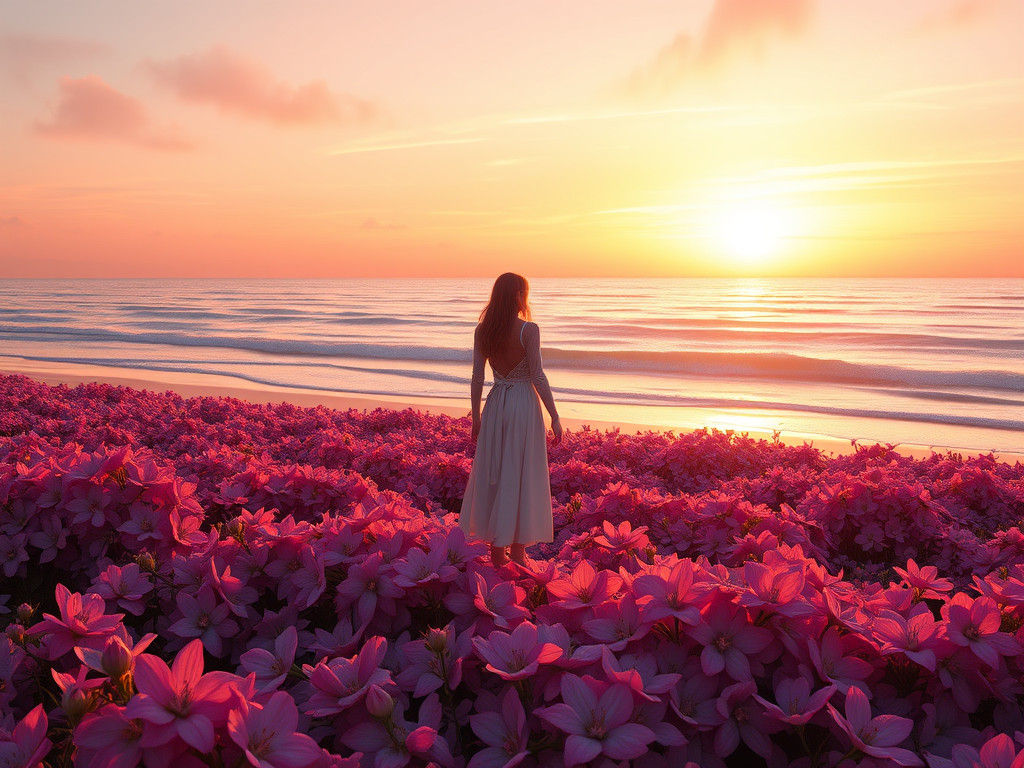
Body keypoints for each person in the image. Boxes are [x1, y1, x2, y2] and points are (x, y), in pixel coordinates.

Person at [459, 273, 562, 566]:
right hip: (523, 404)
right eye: (524, 293)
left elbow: (478, 376)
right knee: (521, 473)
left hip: (496, 404)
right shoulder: (528, 330)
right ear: (518, 295)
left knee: (496, 472)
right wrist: (554, 415)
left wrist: (476, 416)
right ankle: (517, 553)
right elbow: (537, 376)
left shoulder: (484, 330)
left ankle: (497, 553)